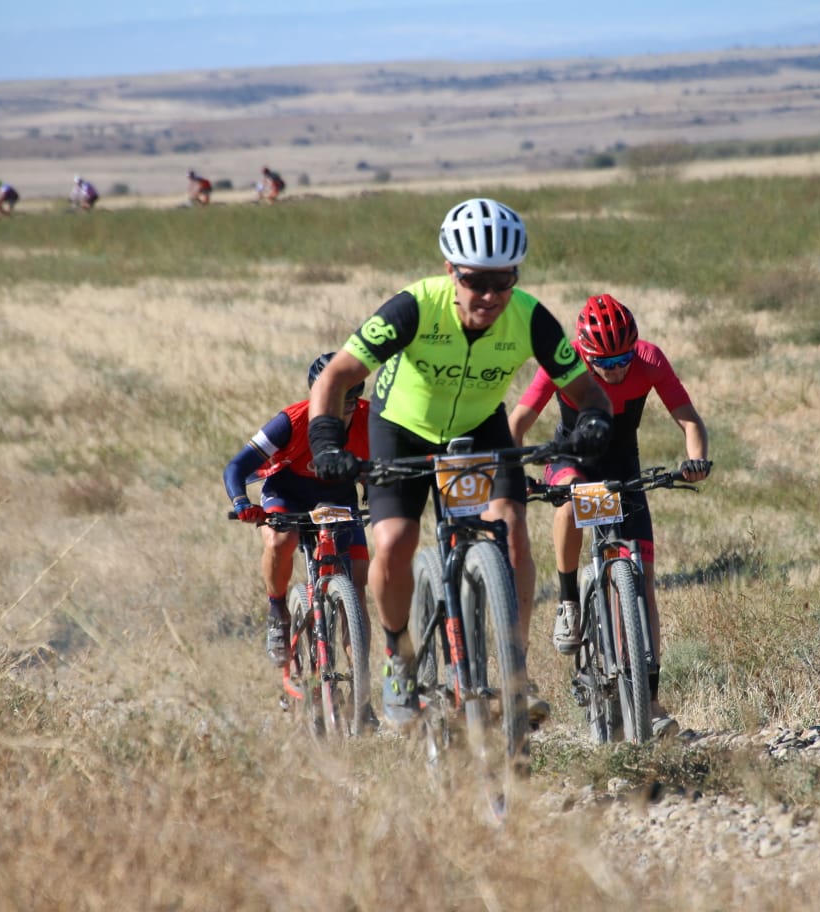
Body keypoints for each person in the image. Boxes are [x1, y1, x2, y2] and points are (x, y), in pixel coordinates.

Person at [305, 197, 613, 726]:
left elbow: (588, 392)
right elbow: (335, 376)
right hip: (401, 426)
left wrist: (593, 422)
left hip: (476, 427)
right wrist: (327, 443)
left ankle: (516, 673)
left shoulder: (530, 317)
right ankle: (398, 656)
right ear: (451, 271)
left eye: (504, 280)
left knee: (512, 526)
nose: (490, 295)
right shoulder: (413, 307)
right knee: (395, 541)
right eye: (475, 281)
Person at [509, 293, 712, 739]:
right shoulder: (563, 362)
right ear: (585, 351)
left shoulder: (649, 360)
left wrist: (695, 459)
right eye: (605, 360)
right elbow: (518, 420)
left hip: (624, 467)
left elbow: (690, 420)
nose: (617, 368)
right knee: (569, 499)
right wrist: (512, 470)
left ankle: (651, 701)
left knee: (644, 582)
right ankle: (568, 602)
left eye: (623, 357)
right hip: (572, 461)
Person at [223, 353, 372, 669]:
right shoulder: (291, 421)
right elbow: (237, 466)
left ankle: (361, 691)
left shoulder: (370, 419)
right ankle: (278, 612)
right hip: (287, 493)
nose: (343, 404)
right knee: (280, 541)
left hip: (338, 499)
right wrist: (241, 503)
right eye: (334, 394)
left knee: (357, 589)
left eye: (352, 395)